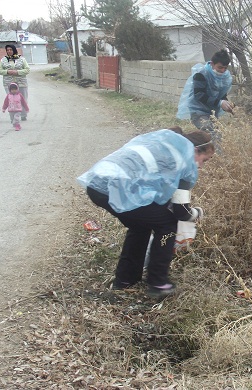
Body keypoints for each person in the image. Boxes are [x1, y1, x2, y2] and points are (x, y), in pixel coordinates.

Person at [77, 127, 215, 299]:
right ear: (196, 150)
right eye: (204, 160)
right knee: (167, 225)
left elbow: (155, 194)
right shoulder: (185, 160)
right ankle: (158, 283)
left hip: (98, 184)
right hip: (115, 188)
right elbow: (182, 212)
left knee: (141, 225)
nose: (201, 166)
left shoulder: (164, 144)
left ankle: (125, 280)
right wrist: (198, 213)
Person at [177, 49, 234, 139]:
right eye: (220, 67)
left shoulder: (224, 77)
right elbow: (199, 95)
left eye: (225, 68)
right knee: (213, 133)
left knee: (213, 135)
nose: (223, 71)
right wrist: (219, 103)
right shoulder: (201, 74)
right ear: (212, 64)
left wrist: (227, 104)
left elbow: (222, 95)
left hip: (212, 112)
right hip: (198, 111)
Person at [0, 44, 30, 121]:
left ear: (14, 50)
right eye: (7, 50)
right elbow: (0, 70)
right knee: (11, 99)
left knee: (22, 98)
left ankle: (23, 115)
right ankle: (13, 116)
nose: (9, 51)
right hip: (9, 83)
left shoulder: (21, 59)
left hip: (21, 82)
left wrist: (17, 72)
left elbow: (27, 69)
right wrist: (7, 71)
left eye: (11, 50)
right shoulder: (3, 60)